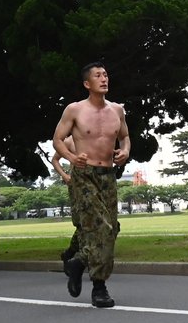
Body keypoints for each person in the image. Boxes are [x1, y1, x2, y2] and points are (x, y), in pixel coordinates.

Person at [51, 61, 129, 309]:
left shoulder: (117, 110)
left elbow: (125, 136)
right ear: (87, 83)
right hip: (84, 176)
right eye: (98, 75)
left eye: (106, 74)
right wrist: (72, 158)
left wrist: (125, 151)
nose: (104, 78)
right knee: (102, 228)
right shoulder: (74, 110)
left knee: (112, 227)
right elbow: (57, 140)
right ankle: (99, 287)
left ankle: (78, 261)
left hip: (108, 175)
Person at [50, 136, 81, 269]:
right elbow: (55, 160)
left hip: (95, 182)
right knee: (82, 224)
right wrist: (64, 175)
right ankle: (72, 255)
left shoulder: (94, 134)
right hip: (77, 185)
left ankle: (71, 254)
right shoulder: (69, 141)